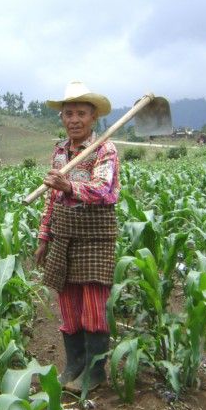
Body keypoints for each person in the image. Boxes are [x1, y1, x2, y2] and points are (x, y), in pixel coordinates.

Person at [34, 81, 119, 393]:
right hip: (64, 233)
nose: (74, 119)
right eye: (68, 114)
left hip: (95, 236)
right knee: (67, 300)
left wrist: (69, 187)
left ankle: (96, 371)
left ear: (93, 117)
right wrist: (44, 236)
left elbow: (103, 190)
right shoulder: (59, 152)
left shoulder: (105, 150)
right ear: (62, 119)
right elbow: (51, 199)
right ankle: (74, 364)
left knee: (94, 304)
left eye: (81, 113)